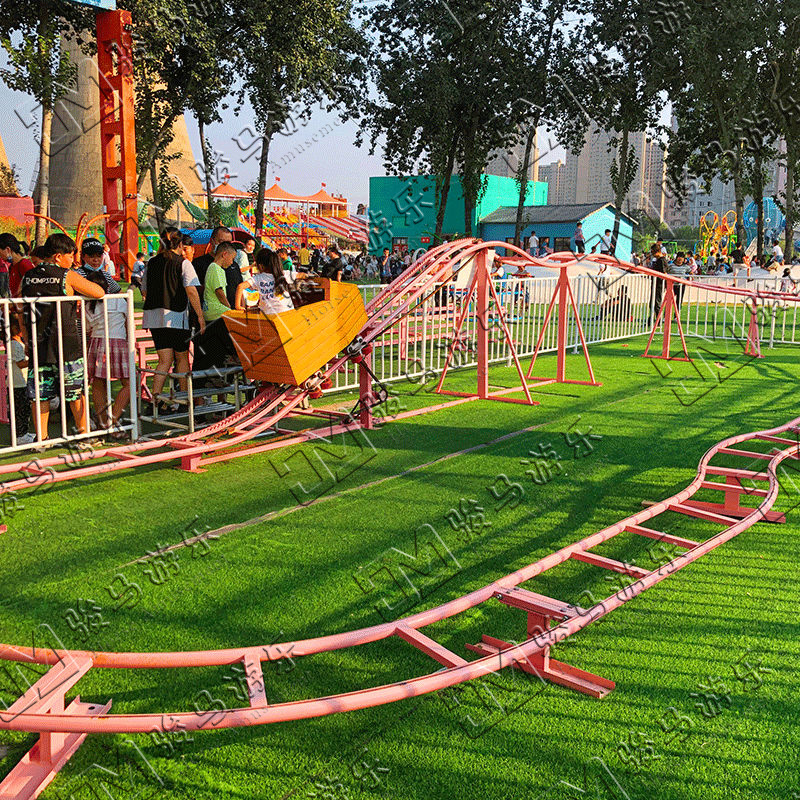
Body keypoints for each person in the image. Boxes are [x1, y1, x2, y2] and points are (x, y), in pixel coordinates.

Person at [20, 233, 106, 443]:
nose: (73, 261)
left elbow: (21, 310)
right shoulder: (66, 275)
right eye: (70, 255)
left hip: (38, 344)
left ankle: (41, 439)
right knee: (75, 391)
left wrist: (26, 340)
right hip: (66, 344)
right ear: (58, 256)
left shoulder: (28, 276)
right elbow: (99, 292)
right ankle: (84, 434)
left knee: (40, 394)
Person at [142, 230, 205, 405]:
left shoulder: (151, 263)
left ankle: (155, 400)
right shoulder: (183, 263)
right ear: (180, 245)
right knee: (182, 358)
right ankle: (184, 399)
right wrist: (200, 316)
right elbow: (191, 290)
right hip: (176, 317)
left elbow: (144, 290)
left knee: (164, 361)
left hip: (154, 317)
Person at [82, 270, 130, 435]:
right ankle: (112, 421)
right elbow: (128, 324)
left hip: (97, 342)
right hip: (118, 341)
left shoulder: (88, 305)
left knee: (98, 383)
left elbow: (87, 328)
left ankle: (104, 423)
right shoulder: (119, 300)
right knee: (129, 383)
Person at [194, 241, 238, 377]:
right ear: (224, 254)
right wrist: (229, 308)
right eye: (232, 258)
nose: (232, 262)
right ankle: (233, 355)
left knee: (216, 349)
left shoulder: (217, 269)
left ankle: (224, 364)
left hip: (213, 312)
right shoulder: (215, 268)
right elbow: (219, 291)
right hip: (217, 312)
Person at [236, 248, 295, 315]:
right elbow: (302, 275)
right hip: (288, 313)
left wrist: (238, 306)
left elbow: (240, 286)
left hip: (270, 315)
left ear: (260, 266)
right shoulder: (284, 274)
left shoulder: (258, 278)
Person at [8, 315, 34, 444]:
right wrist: (33, 361)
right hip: (16, 383)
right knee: (20, 410)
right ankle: (20, 435)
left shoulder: (19, 342)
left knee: (25, 409)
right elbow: (20, 363)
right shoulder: (13, 344)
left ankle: (24, 432)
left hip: (22, 381)